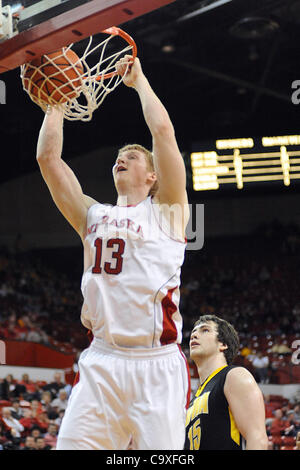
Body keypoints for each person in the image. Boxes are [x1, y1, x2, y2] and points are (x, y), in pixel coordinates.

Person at [35, 54, 190, 450]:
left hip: (155, 364)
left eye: (133, 156)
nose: (121, 158)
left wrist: (139, 83)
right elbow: (48, 160)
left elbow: (164, 133)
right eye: (119, 156)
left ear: (152, 176)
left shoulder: (168, 211)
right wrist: (56, 105)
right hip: (102, 359)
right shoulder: (93, 215)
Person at [185, 315, 268, 450]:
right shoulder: (195, 398)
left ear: (223, 344)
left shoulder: (234, 376)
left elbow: (257, 439)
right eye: (193, 332)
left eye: (204, 330)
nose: (194, 335)